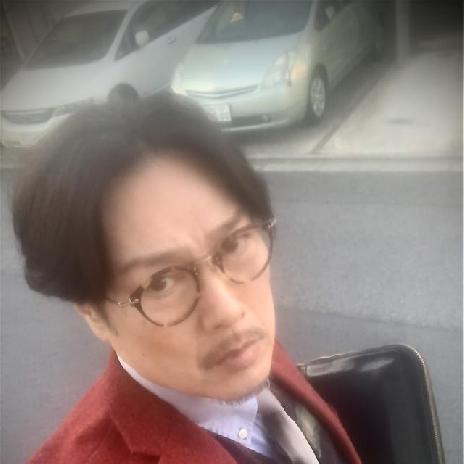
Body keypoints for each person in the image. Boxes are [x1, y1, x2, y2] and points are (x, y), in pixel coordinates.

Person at [13, 94, 361, 464]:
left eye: (233, 243)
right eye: (161, 282)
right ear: (93, 313)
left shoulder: (241, 350)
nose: (228, 311)